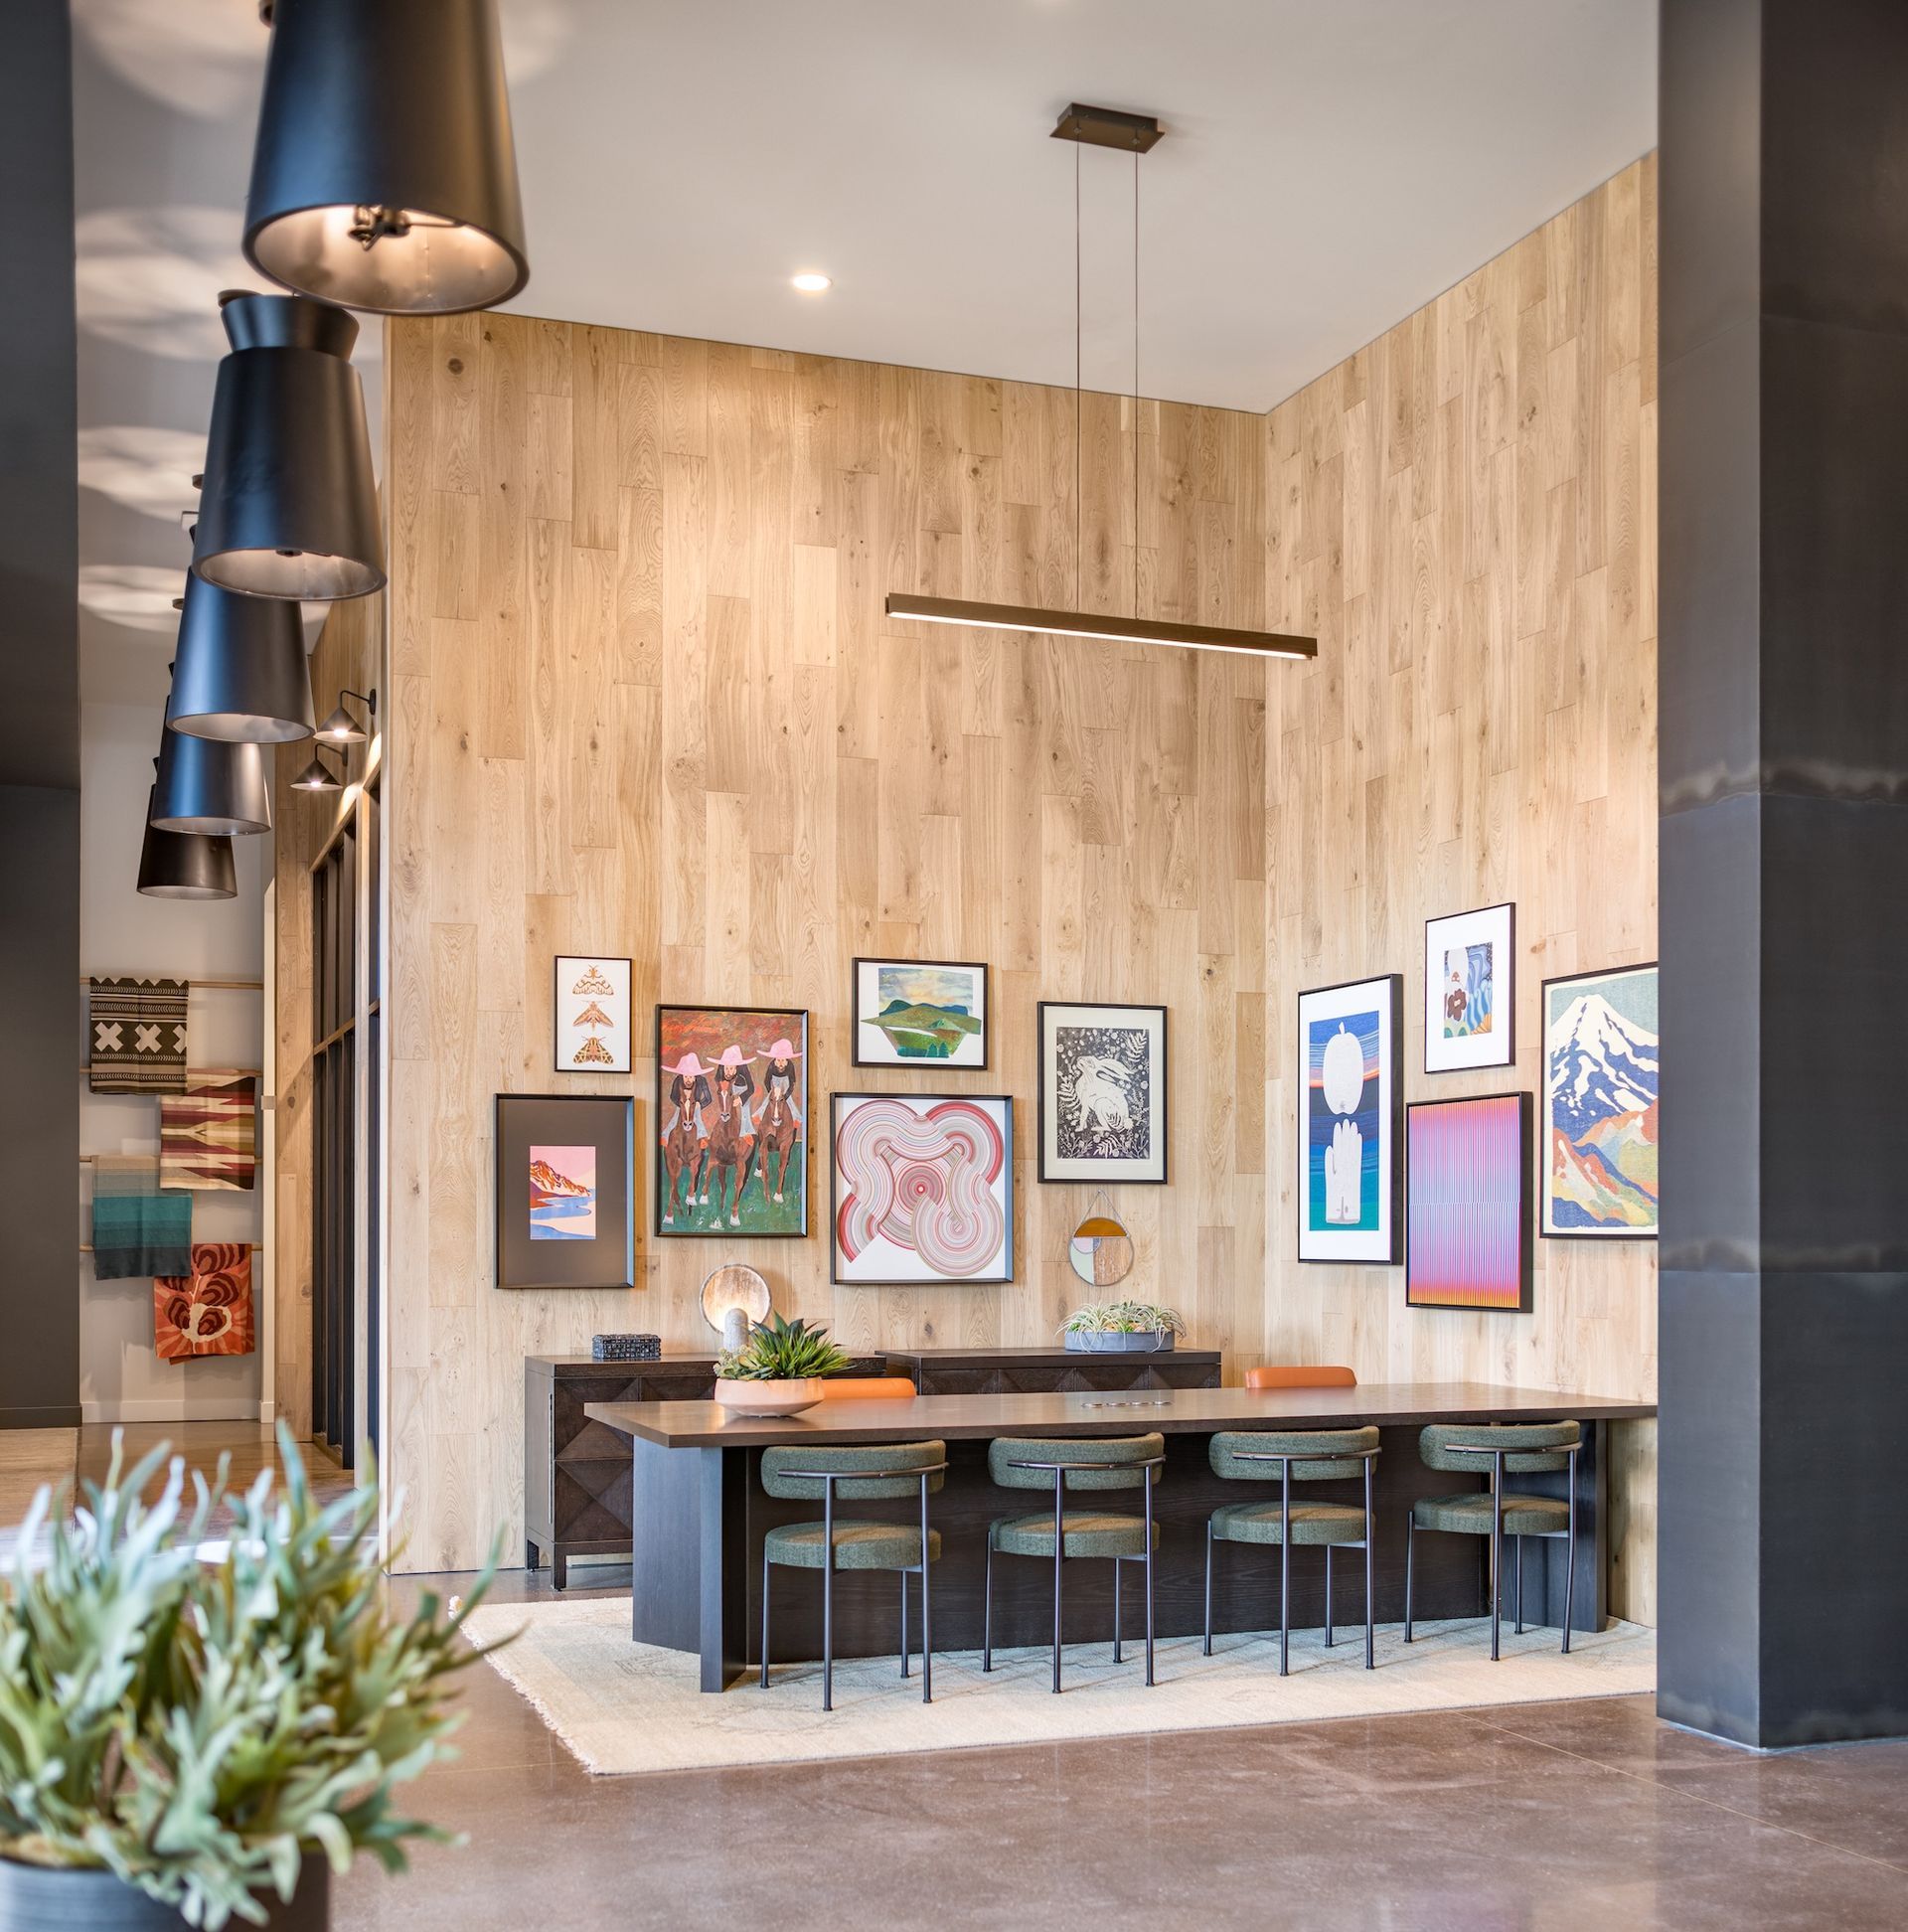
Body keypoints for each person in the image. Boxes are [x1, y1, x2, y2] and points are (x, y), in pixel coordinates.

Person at [661, 1050, 713, 1144]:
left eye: (690, 1077)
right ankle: (665, 1136)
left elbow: (708, 1098)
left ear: (695, 1077)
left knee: (698, 1119)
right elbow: (673, 1096)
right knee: (675, 1118)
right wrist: (682, 1104)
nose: (688, 1080)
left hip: (695, 1105)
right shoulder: (678, 1080)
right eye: (685, 1077)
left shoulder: (702, 1081)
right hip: (682, 1104)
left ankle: (702, 1138)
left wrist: (699, 1104)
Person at [712, 1044, 757, 1130]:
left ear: (736, 1067)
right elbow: (717, 1078)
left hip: (741, 1089)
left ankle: (746, 1130)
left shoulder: (743, 1068)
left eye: (731, 1069)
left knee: (745, 1107)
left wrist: (740, 1098)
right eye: (726, 1069)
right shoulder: (721, 1067)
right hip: (727, 1088)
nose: (728, 1072)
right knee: (723, 1104)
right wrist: (723, 1086)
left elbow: (751, 1088)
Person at [760, 1037, 803, 1127]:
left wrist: (786, 1095)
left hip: (785, 1089)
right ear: (775, 1060)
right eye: (778, 1060)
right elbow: (766, 1080)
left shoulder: (790, 1066)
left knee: (791, 1104)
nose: (780, 1063)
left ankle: (796, 1119)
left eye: (782, 1060)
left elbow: (792, 1083)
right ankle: (760, 1117)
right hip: (774, 1088)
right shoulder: (771, 1066)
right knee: (766, 1103)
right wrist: (771, 1093)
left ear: (786, 1060)